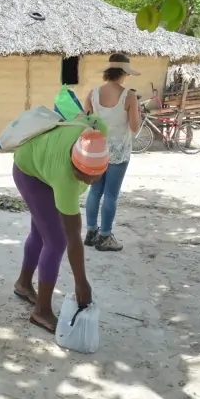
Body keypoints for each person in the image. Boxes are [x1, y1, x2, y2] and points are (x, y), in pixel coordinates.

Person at [11, 114, 109, 333]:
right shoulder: (65, 178)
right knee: (55, 241)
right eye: (82, 175)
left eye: (96, 177)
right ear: (74, 163)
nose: (89, 182)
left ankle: (23, 284)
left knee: (41, 231)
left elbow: (86, 115)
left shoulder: (97, 133)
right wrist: (81, 282)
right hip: (29, 172)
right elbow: (73, 236)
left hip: (42, 161)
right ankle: (41, 311)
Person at [83, 54, 142, 252]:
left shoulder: (93, 94)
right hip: (119, 151)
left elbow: (87, 121)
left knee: (95, 191)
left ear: (107, 72)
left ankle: (91, 232)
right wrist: (138, 111)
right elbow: (134, 127)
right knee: (110, 195)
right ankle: (105, 236)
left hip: (96, 151)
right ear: (124, 73)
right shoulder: (129, 96)